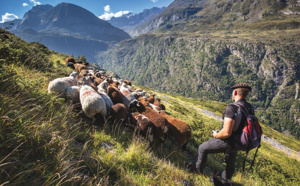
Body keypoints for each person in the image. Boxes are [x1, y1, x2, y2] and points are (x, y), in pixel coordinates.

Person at [195, 83, 253, 181]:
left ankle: (197, 172)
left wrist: (216, 135)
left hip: (227, 142)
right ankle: (226, 181)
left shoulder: (232, 108)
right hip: (238, 142)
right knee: (231, 162)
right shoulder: (249, 107)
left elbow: (226, 133)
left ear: (235, 92)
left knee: (202, 148)